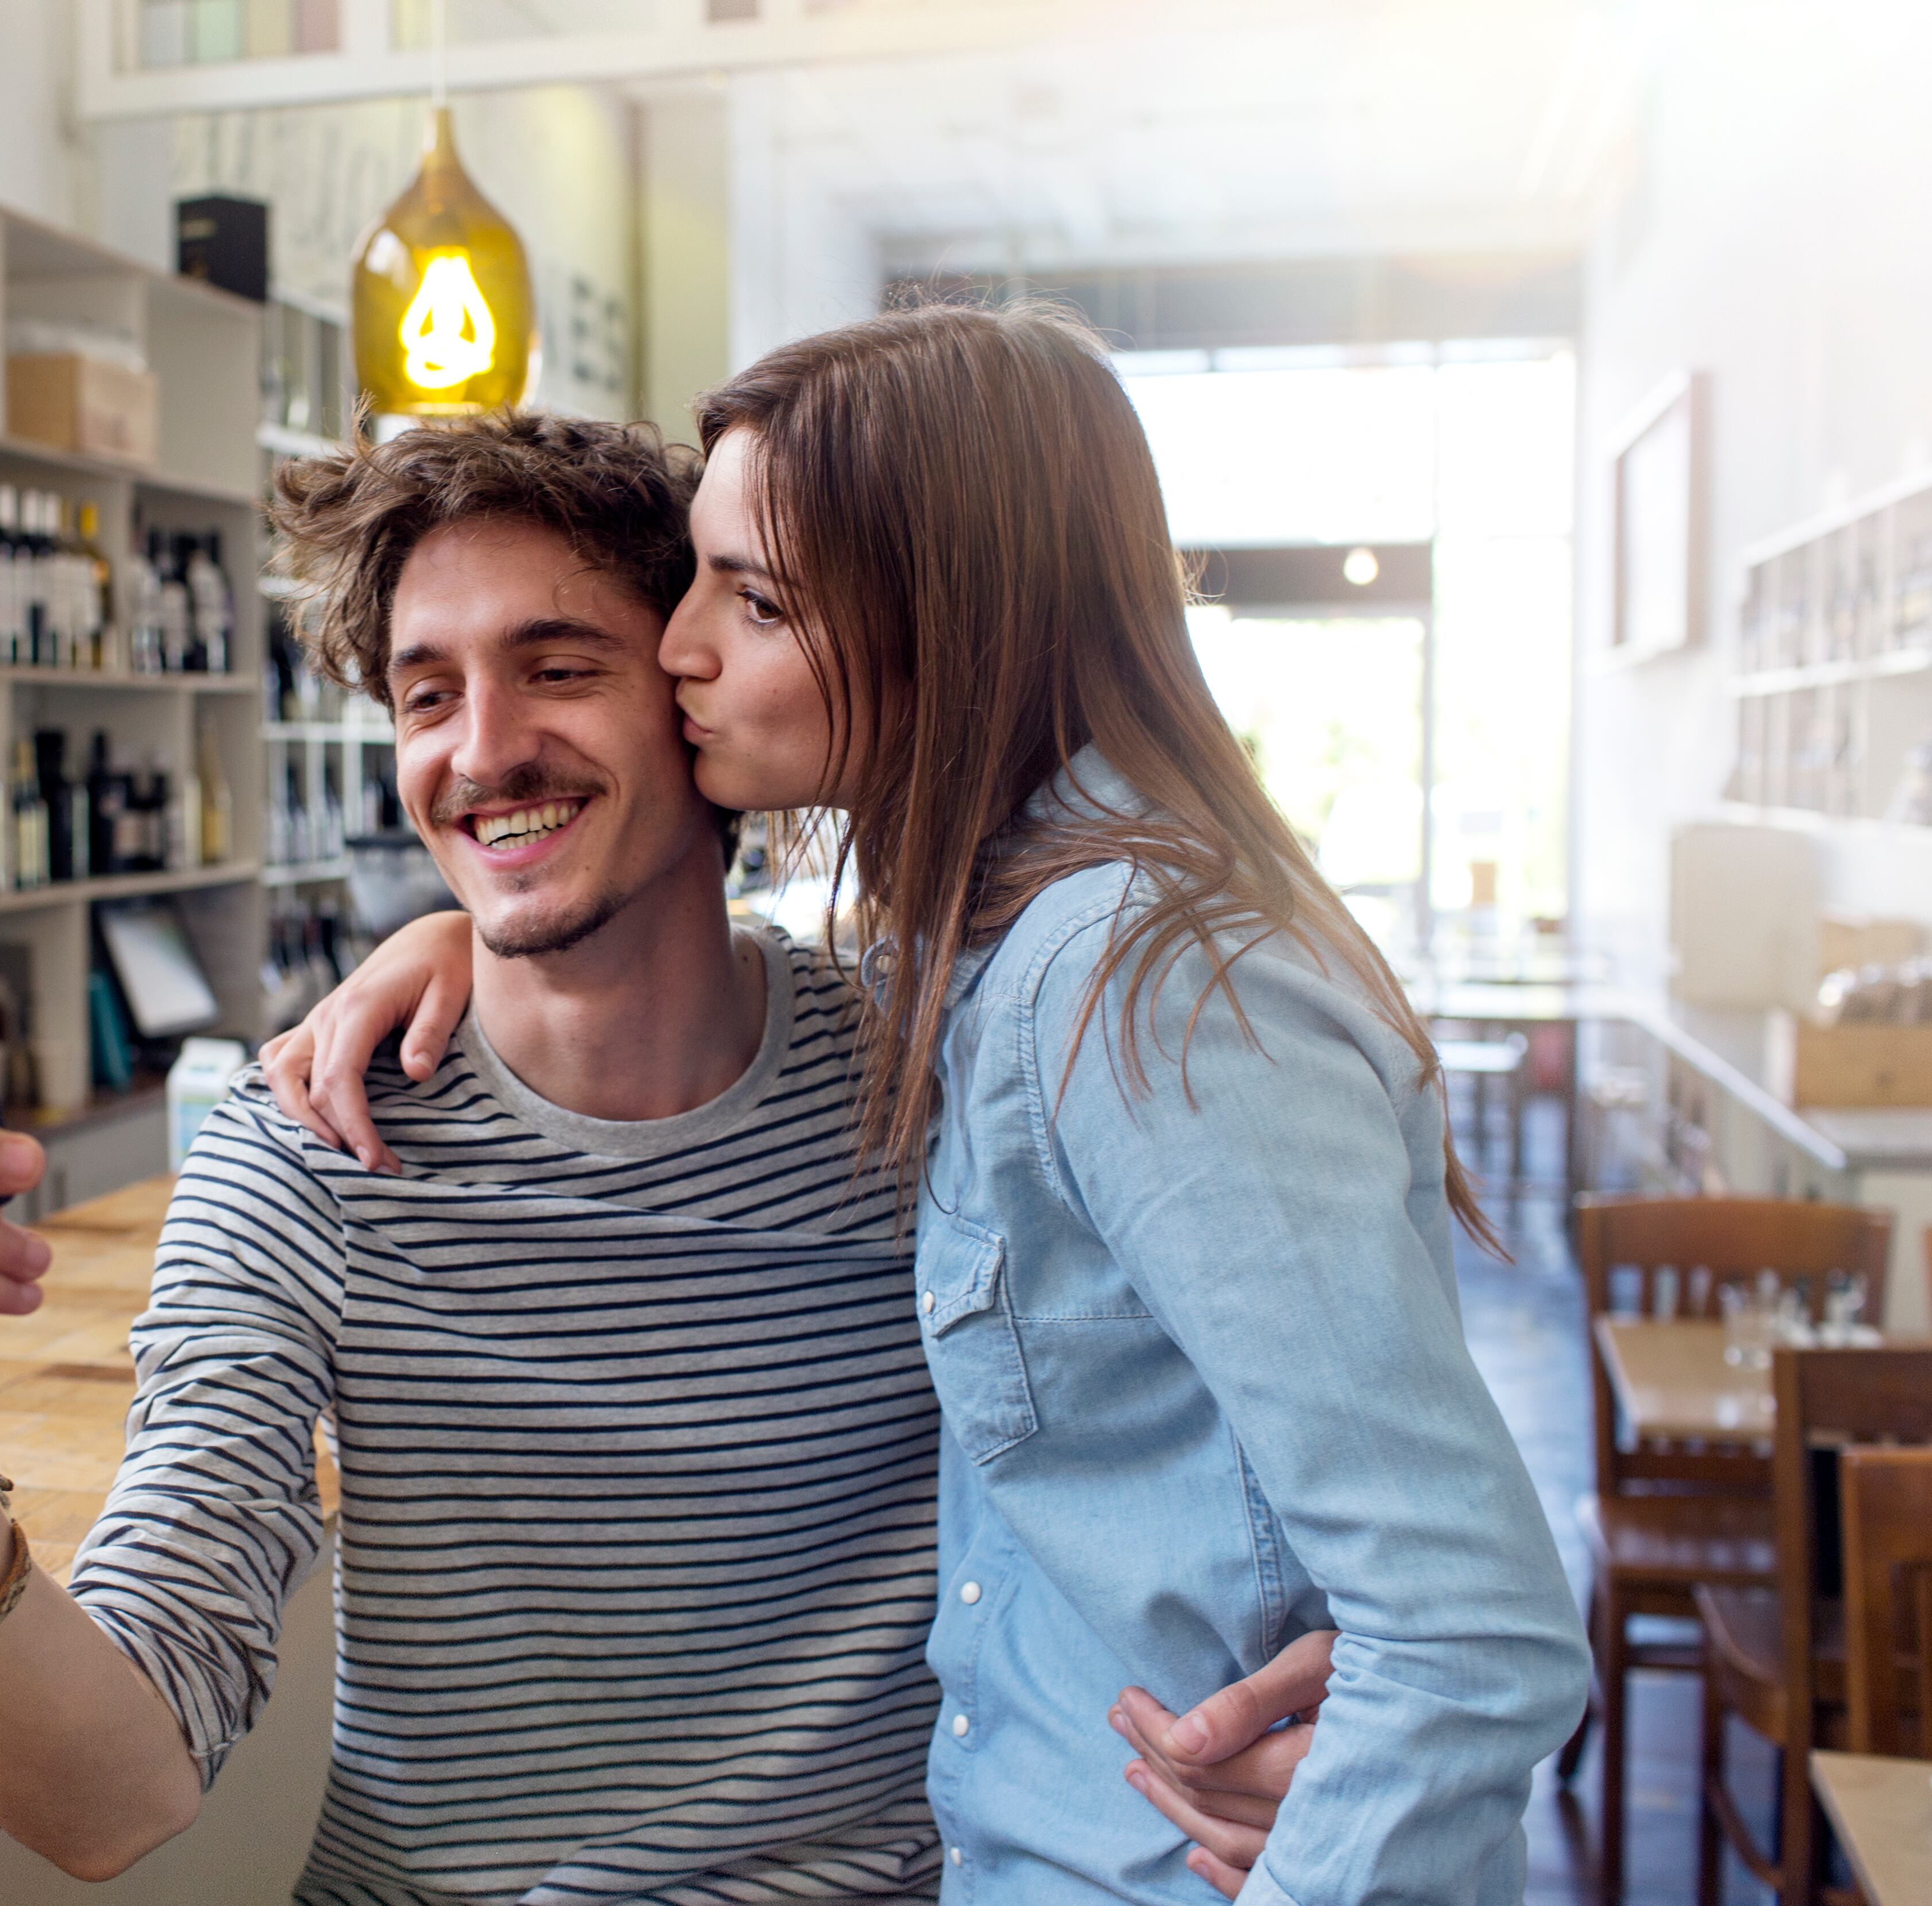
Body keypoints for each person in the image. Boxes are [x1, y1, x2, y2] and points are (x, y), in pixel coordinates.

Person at [0, 411, 1326, 1902]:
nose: (484, 751)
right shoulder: (311, 1155)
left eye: (558, 668)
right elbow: (112, 1800)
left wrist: (1325, 1695)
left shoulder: (935, 1078)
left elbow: (1221, 1447)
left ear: (696, 699)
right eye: (427, 695)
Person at [262, 305, 1593, 1904]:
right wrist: (467, 927)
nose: (681, 647)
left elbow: (1471, 1627)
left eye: (749, 601)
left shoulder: (1135, 981)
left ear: (946, 629)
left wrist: (1345, 1834)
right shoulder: (975, 945)